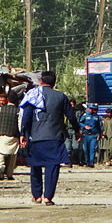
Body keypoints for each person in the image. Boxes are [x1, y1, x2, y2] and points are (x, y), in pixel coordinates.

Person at [19, 71, 79, 205]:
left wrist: (23, 134)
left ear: (41, 81)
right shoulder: (61, 96)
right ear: (54, 82)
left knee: (35, 166)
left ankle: (37, 196)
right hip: (55, 137)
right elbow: (71, 116)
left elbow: (26, 116)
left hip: (35, 137)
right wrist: (77, 130)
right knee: (52, 166)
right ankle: (48, 197)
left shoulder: (33, 95)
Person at [0, 90, 21, 180]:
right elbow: (20, 124)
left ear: (8, 99)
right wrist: (22, 135)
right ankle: (9, 173)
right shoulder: (19, 110)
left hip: (1, 135)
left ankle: (1, 167)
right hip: (14, 136)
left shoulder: (0, 109)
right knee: (13, 155)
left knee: (0, 153)